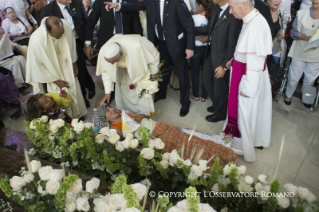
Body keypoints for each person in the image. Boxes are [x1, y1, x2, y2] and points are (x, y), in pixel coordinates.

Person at [104, 0, 195, 117]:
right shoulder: (152, 2)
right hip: (162, 43)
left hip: (177, 44)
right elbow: (135, 5)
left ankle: (185, 103)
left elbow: (189, 25)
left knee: (182, 74)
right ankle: (161, 94)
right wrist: (118, 5)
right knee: (163, 70)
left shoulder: (177, 2)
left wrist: (190, 47)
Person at [86, 104, 238, 167]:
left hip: (161, 127)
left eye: (110, 107)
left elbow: (144, 115)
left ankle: (227, 154)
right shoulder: (115, 129)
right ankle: (224, 161)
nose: (112, 110)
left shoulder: (125, 114)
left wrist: (139, 116)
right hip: (157, 137)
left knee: (195, 140)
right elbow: (129, 141)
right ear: (106, 119)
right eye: (107, 111)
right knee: (191, 149)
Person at [223, 0, 273, 162]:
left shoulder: (255, 26)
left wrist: (249, 89)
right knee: (249, 113)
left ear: (243, 5)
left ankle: (241, 145)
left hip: (248, 79)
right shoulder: (252, 19)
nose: (230, 11)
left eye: (231, 7)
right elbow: (247, 51)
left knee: (244, 113)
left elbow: (256, 62)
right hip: (243, 71)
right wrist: (235, 59)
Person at [26, 16, 87, 119]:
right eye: (57, 35)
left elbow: (72, 45)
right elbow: (36, 65)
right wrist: (55, 80)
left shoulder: (65, 25)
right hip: (53, 74)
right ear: (47, 31)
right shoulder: (36, 39)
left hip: (67, 67)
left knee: (75, 90)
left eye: (61, 33)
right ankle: (67, 119)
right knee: (60, 98)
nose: (61, 36)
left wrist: (74, 63)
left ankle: (79, 116)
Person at [41, 0, 96, 108]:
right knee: (72, 70)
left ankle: (83, 96)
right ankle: (88, 87)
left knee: (80, 68)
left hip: (77, 41)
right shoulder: (48, 10)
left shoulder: (77, 3)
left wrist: (87, 43)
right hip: (60, 44)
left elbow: (85, 22)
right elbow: (46, 31)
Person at [195, 0, 242, 123]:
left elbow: (233, 45)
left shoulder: (233, 13)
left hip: (222, 57)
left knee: (220, 86)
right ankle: (218, 104)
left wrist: (224, 66)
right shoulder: (216, 8)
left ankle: (220, 113)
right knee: (206, 78)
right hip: (211, 52)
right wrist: (190, 29)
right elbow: (209, 28)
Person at [97, 34, 159, 117]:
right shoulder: (104, 52)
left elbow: (154, 55)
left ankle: (143, 116)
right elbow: (106, 72)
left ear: (121, 53)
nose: (111, 64)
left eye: (113, 61)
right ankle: (128, 115)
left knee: (141, 95)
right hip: (121, 71)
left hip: (139, 67)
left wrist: (154, 72)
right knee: (125, 92)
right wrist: (107, 92)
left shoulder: (138, 45)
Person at [284, 0, 319, 108]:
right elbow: (294, 33)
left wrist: (304, 36)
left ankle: (306, 98)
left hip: (316, 53)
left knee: (310, 79)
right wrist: (309, 38)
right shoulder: (302, 13)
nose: (315, 1)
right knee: (294, 76)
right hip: (299, 50)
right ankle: (288, 95)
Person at [189, 0, 213, 103]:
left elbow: (190, 33)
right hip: (207, 49)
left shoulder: (193, 18)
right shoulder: (210, 19)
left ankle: (195, 95)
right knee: (205, 73)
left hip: (196, 49)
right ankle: (204, 96)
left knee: (195, 73)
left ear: (200, 6)